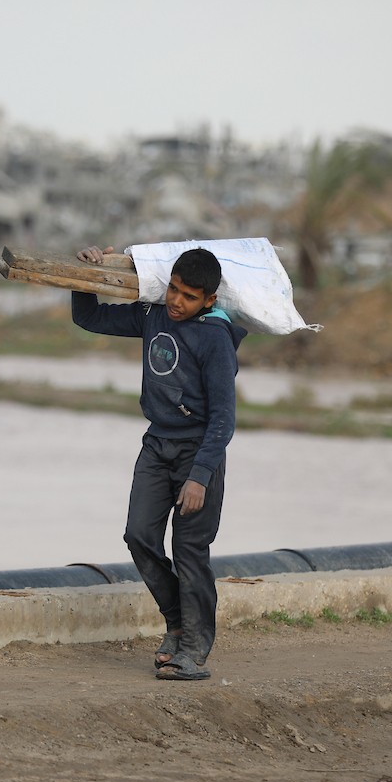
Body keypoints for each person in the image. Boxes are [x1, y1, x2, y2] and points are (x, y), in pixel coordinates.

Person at [72, 244, 247, 681]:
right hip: (157, 446)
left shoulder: (214, 339)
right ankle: (177, 623)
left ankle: (194, 650)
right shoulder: (152, 317)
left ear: (209, 299)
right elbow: (89, 318)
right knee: (139, 535)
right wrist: (82, 273)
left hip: (198, 453)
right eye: (172, 289)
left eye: (188, 296)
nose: (175, 301)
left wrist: (200, 477)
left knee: (189, 551)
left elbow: (224, 419)